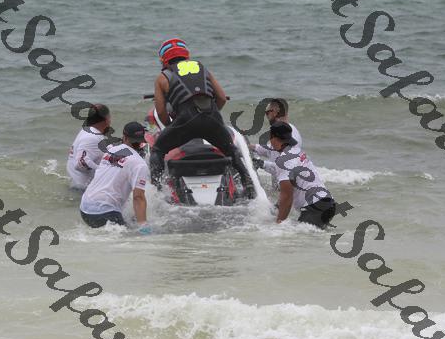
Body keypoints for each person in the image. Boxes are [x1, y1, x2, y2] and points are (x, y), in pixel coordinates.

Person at [149, 38, 255, 198]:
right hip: (212, 119)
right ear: (186, 55)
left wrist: (171, 126)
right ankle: (249, 184)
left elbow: (162, 112)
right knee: (231, 150)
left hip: (185, 121)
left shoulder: (162, 77)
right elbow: (222, 98)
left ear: (164, 59)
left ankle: (156, 192)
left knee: (157, 150)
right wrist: (212, 117)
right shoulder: (202, 68)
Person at [80, 122, 151, 233]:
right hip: (104, 212)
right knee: (133, 239)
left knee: (125, 227)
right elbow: (138, 197)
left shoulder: (110, 151)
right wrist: (144, 227)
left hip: (85, 208)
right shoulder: (139, 164)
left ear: (124, 137)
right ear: (142, 141)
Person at [269, 122, 336, 229]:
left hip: (315, 207)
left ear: (273, 138)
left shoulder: (283, 161)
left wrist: (278, 223)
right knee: (309, 237)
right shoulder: (296, 151)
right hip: (328, 204)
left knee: (294, 237)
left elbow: (287, 196)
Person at [249, 99, 303, 184]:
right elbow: (272, 151)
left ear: (274, 112)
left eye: (267, 113)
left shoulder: (291, 135)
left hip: (289, 188)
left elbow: (287, 167)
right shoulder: (282, 131)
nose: (267, 116)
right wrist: (253, 147)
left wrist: (262, 164)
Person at [66, 104, 111, 190]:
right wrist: (103, 170)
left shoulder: (87, 131)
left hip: (76, 183)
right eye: (110, 118)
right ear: (106, 120)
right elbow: (80, 164)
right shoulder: (92, 138)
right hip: (83, 189)